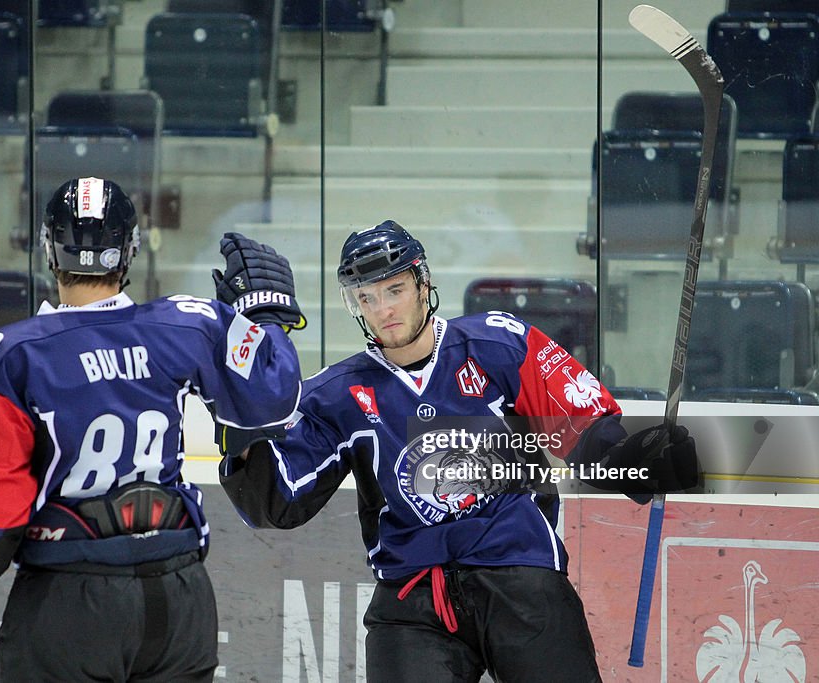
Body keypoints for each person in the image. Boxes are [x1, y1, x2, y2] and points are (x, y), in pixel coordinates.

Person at [217, 220, 700, 682]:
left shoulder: (498, 343)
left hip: (519, 574)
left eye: (394, 289)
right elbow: (273, 502)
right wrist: (241, 371)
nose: (382, 309)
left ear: (423, 284)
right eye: (366, 297)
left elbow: (586, 431)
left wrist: (638, 463)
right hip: (413, 600)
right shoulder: (336, 395)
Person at [0, 176, 307, 681]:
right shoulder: (189, 323)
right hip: (179, 600)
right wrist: (263, 319)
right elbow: (270, 403)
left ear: (48, 251)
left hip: (69, 605)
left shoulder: (9, 356)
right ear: (130, 252)